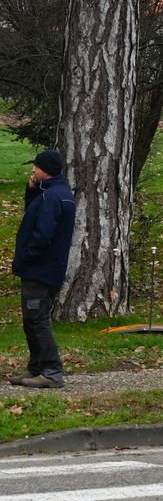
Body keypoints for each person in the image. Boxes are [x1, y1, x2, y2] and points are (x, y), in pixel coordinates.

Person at [9, 151, 75, 390]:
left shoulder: (53, 198)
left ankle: (51, 370)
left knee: (37, 321)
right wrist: (32, 189)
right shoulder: (55, 194)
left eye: (36, 167)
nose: (33, 171)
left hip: (40, 269)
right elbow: (34, 213)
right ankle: (36, 368)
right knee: (31, 320)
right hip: (47, 268)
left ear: (45, 169)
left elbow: (42, 235)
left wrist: (26, 259)